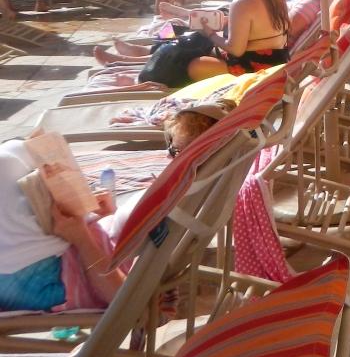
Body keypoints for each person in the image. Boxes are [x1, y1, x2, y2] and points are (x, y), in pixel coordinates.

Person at [0, 104, 221, 312]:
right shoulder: (188, 193)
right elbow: (133, 244)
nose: (166, 155)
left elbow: (122, 296)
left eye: (176, 151)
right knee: (16, 153)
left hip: (57, 278)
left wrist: (81, 237)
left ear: (201, 158)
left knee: (7, 163)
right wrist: (108, 216)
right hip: (59, 257)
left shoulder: (181, 206)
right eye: (170, 145)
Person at [140, 0, 291, 87]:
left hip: (254, 68)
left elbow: (236, 50)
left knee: (194, 64)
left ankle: (145, 57)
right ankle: (142, 53)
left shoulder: (243, 2)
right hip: (276, 61)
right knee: (197, 46)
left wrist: (210, 34)